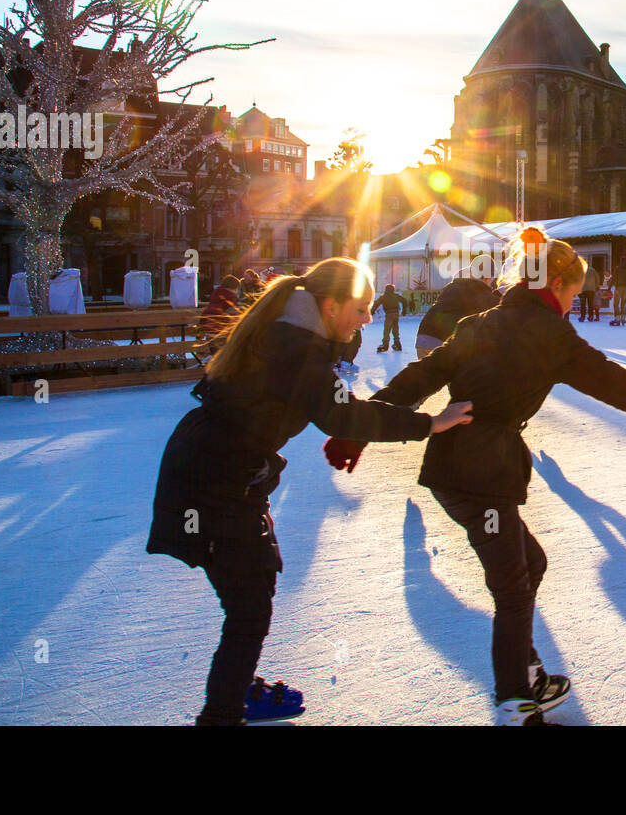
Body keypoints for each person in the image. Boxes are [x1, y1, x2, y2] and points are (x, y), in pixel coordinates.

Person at [324, 229, 626, 726]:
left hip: (454, 467)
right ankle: (514, 699)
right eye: (574, 294)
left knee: (530, 562)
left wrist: (358, 430)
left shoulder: (480, 323)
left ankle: (525, 674)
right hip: (480, 473)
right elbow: (623, 388)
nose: (575, 304)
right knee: (513, 586)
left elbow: (418, 378)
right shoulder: (551, 336)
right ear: (554, 283)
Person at [147, 259, 474, 726]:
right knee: (249, 605)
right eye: (359, 308)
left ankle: (236, 685)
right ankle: (222, 713)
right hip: (213, 481)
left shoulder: (292, 335)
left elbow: (338, 408)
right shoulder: (296, 347)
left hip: (220, 471)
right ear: (329, 305)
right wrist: (430, 423)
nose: (366, 318)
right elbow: (343, 414)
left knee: (255, 583)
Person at [416, 255, 501, 358]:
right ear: (488, 277)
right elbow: (499, 308)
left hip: (424, 336)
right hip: (443, 343)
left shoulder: (453, 286)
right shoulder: (480, 292)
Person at [198, 276, 242, 355]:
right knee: (224, 357)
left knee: (215, 356)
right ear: (234, 287)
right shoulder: (231, 297)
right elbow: (232, 316)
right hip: (221, 331)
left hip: (209, 329)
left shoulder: (216, 294)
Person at [372, 283, 405, 352]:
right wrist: (404, 310)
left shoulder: (383, 297)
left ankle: (385, 345)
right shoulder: (396, 296)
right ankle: (397, 343)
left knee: (387, 329)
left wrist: (372, 311)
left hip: (389, 314)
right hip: (396, 313)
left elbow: (376, 303)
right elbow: (404, 300)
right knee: (395, 328)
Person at [610, 258, 626, 326]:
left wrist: (609, 288)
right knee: (623, 303)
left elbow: (613, 278)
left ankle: (617, 318)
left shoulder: (618, 268)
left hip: (618, 288)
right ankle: (623, 318)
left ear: (620, 261)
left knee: (616, 304)